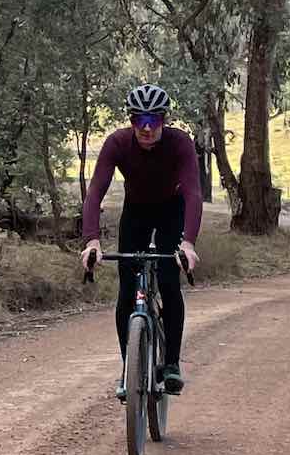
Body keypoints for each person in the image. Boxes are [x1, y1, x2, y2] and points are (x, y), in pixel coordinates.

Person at [80, 82, 201, 396]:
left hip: (171, 211)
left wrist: (187, 243)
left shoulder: (180, 144)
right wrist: (91, 240)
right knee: (127, 290)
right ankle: (129, 370)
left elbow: (193, 193)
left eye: (153, 121)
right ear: (131, 121)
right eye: (139, 121)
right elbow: (95, 193)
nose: (146, 129)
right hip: (136, 212)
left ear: (164, 120)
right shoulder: (117, 144)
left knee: (169, 280)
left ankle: (171, 364)